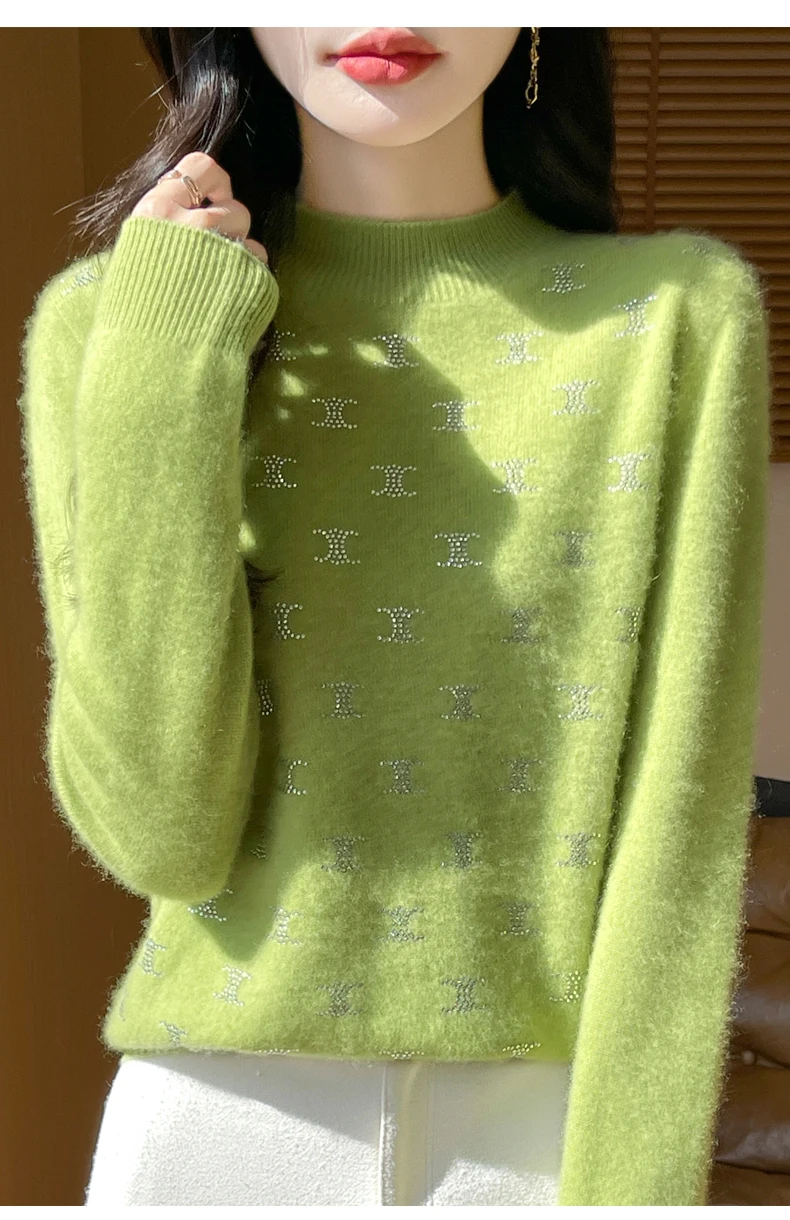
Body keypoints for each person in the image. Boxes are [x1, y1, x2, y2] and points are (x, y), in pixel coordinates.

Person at [17, 26, 771, 1207]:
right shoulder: (114, 322)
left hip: (542, 1134)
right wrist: (167, 353)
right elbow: (160, 833)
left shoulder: (675, 313)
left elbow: (682, 826)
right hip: (209, 1132)